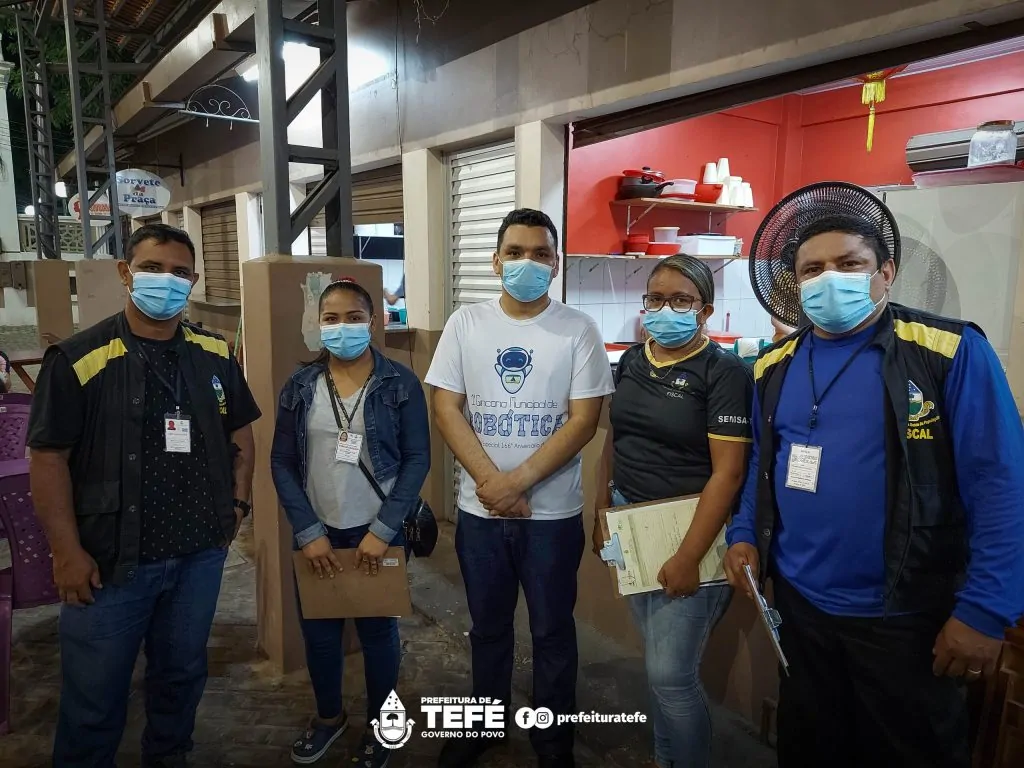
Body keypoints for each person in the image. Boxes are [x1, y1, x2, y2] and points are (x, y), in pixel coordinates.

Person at [723, 214, 1024, 768]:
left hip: (905, 616)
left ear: (886, 272)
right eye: (812, 269)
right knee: (811, 749)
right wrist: (744, 534)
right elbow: (763, 464)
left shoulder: (948, 352)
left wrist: (985, 609)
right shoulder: (773, 365)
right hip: (801, 610)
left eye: (849, 264)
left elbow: (1001, 484)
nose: (829, 279)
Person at [26, 223, 261, 768]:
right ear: (125, 273)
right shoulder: (79, 358)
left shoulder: (214, 352)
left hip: (198, 556)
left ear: (193, 281)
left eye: (179, 272)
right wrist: (66, 552)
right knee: (94, 700)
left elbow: (241, 432)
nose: (166, 281)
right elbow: (48, 459)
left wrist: (238, 505)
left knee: (180, 678)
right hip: (110, 564)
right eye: (153, 269)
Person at [426, 208, 614, 768]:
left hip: (550, 519)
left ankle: (552, 742)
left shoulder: (578, 329)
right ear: (495, 261)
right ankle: (485, 725)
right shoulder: (466, 323)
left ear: (555, 264)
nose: (526, 263)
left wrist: (517, 483)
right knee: (487, 629)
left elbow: (584, 421)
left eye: (539, 254)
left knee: (553, 632)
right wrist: (492, 484)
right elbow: (446, 406)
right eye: (515, 253)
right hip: (481, 516)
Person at [593, 254, 751, 768]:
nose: (666, 309)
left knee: (671, 675)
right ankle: (666, 759)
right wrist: (601, 511)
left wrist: (687, 557)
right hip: (631, 524)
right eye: (656, 299)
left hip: (690, 532)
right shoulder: (633, 361)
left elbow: (728, 474)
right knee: (659, 668)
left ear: (705, 310)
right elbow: (617, 438)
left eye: (681, 300)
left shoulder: (724, 372)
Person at [270, 278, 430, 767]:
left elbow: (417, 459)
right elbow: (281, 461)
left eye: (354, 317)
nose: (343, 327)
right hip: (317, 532)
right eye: (332, 319)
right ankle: (329, 718)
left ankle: (382, 727)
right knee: (320, 635)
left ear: (372, 321)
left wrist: (382, 531)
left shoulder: (400, 383)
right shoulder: (301, 386)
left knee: (378, 634)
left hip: (375, 531)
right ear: (319, 325)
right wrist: (307, 532)